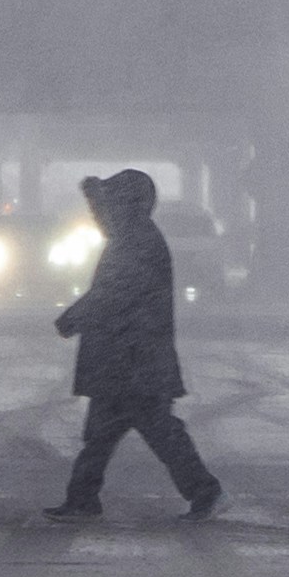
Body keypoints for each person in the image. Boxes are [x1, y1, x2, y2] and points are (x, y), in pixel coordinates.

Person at [42, 168, 219, 522]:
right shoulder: (133, 236)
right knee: (109, 436)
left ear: (125, 206)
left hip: (133, 361)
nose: (99, 215)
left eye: (106, 206)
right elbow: (113, 290)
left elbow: (112, 294)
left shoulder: (135, 242)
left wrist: (74, 318)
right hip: (128, 360)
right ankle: (83, 499)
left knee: (153, 433)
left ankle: (205, 491)